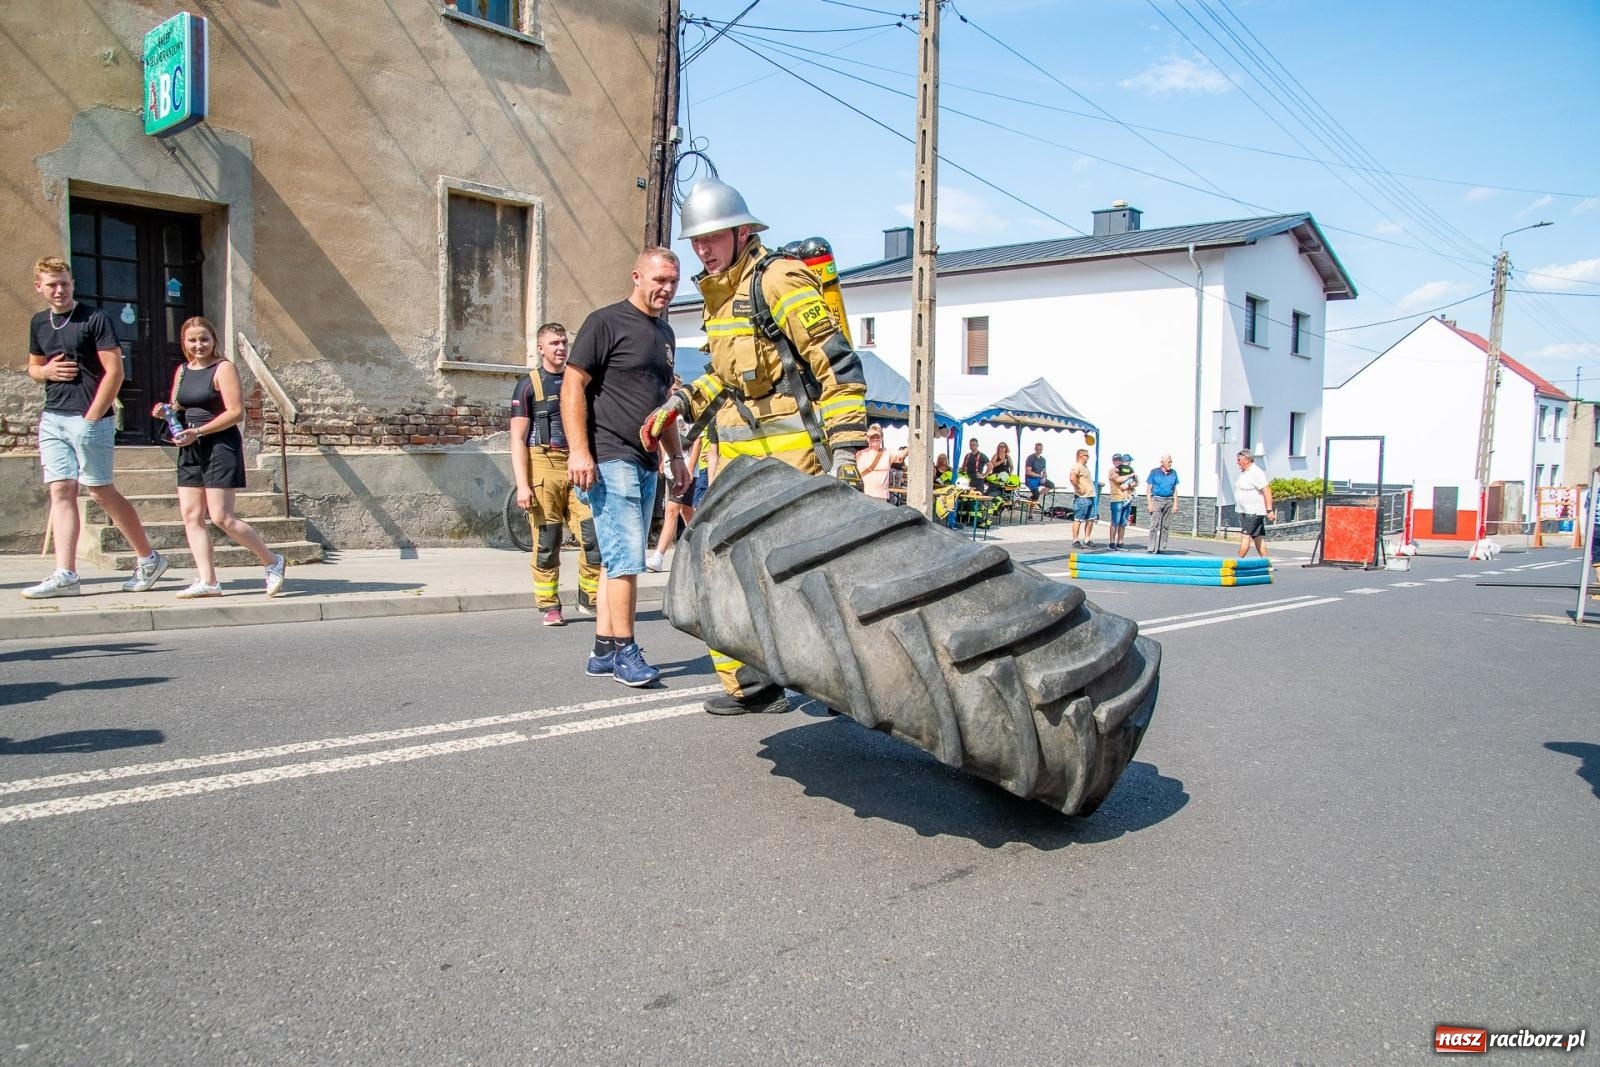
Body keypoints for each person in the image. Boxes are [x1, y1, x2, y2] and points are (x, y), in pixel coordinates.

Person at [640, 177, 868, 715]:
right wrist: (683, 405)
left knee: (801, 577)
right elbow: (727, 377)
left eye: (713, 237)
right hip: (742, 467)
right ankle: (753, 684)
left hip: (796, 464)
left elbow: (837, 370)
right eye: (696, 240)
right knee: (721, 565)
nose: (703, 249)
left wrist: (846, 455)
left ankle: (845, 683)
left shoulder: (781, 281)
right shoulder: (719, 298)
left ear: (744, 232)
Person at [562, 248, 688, 688]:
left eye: (673, 281)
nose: (666, 289)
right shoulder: (605, 322)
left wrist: (676, 458)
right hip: (608, 453)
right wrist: (579, 451)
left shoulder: (666, 335)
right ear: (636, 276)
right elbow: (573, 385)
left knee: (615, 556)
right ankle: (625, 653)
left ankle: (601, 648)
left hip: (646, 460)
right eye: (658, 280)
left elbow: (662, 407)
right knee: (628, 558)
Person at [23, 256, 168, 599]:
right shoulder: (39, 323)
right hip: (53, 417)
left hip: (91, 418)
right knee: (61, 491)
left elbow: (114, 372)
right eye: (52, 284)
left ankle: (148, 559)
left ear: (73, 284)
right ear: (39, 287)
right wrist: (44, 373)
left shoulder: (94, 319)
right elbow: (33, 366)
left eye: (65, 283)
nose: (59, 290)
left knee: (100, 491)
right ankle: (66, 574)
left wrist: (92, 417)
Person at [152, 317, 287, 598]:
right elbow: (180, 405)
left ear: (213, 339)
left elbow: (235, 412)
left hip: (219, 446)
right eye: (192, 340)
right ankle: (208, 581)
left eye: (204, 339)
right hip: (190, 447)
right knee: (191, 515)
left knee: (222, 517)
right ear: (184, 343)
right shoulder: (182, 370)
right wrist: (165, 410)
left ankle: (272, 561)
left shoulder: (223, 368)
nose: (198, 345)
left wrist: (198, 431)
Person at [510, 322, 600, 626]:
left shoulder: (581, 381)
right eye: (554, 343)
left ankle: (590, 598)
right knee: (548, 541)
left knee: (593, 534)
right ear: (540, 348)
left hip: (578, 463)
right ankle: (549, 605)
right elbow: (517, 439)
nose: (561, 348)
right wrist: (523, 485)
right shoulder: (528, 385)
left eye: (564, 342)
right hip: (543, 464)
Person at [647, 390, 702, 571]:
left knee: (672, 509)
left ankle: (658, 556)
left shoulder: (690, 409)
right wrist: (663, 458)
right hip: (672, 467)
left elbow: (698, 442)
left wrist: (690, 466)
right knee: (686, 511)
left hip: (686, 468)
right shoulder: (665, 411)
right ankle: (701, 546)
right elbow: (662, 435)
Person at [1233, 448, 1275, 559]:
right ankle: (1266, 562)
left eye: (1239, 460)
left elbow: (1266, 490)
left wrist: (1269, 510)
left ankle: (1238, 562)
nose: (1237, 462)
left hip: (1253, 511)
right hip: (1244, 510)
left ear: (1246, 460)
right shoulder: (1245, 473)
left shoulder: (1256, 472)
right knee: (1257, 537)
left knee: (1245, 535)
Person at [856, 423, 907, 502]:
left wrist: (913, 443)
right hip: (863, 495)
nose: (875, 439)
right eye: (872, 437)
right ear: (868, 438)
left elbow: (901, 454)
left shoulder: (887, 453)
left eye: (878, 437)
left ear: (881, 438)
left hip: (881, 497)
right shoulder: (860, 454)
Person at [1145, 454, 1180, 554]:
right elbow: (1149, 489)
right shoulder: (1154, 472)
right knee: (1154, 525)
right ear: (1162, 462)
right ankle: (1151, 548)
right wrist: (1149, 503)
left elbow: (1175, 489)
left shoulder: (1173, 473)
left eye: (1171, 461)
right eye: (1169, 461)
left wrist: (1176, 503)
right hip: (1157, 500)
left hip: (1169, 500)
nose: (1170, 463)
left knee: (1165, 526)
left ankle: (1162, 548)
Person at [1107, 453, 1138, 551]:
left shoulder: (1126, 470)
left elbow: (1136, 481)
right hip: (1117, 499)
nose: (1117, 462)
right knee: (1115, 522)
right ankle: (1112, 543)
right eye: (1115, 460)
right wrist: (1130, 475)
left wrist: (1129, 485)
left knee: (1123, 522)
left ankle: (1120, 542)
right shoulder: (1112, 471)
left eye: (1119, 460)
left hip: (1127, 498)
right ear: (1113, 461)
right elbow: (1118, 479)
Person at [1069, 447, 1096, 548]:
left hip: (1090, 496)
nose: (1088, 458)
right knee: (1078, 519)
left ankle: (1087, 539)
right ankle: (1075, 540)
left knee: (1091, 518)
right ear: (1081, 456)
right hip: (1082, 498)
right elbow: (1072, 478)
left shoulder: (1085, 467)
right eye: (1086, 456)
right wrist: (1078, 487)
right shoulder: (1077, 466)